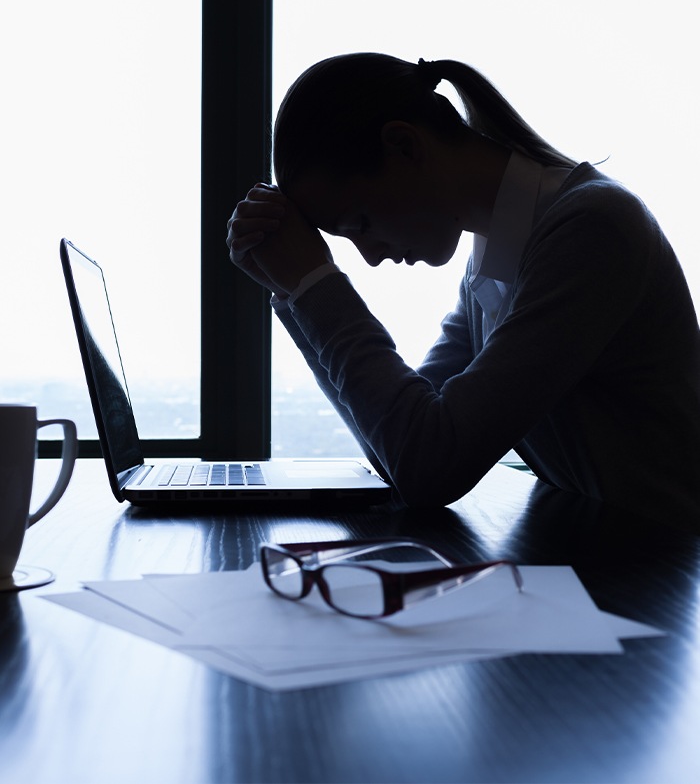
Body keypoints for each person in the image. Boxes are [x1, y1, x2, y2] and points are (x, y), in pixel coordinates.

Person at [227, 52, 700, 528]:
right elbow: (397, 447)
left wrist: (316, 288)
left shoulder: (592, 229)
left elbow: (429, 467)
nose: (369, 256)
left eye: (362, 223)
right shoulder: (497, 254)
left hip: (665, 574)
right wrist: (295, 293)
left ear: (405, 146)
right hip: (615, 562)